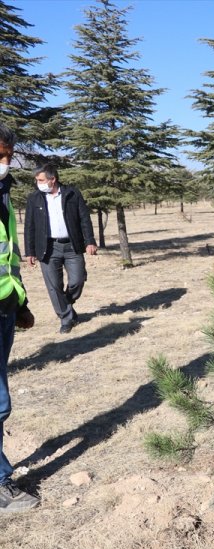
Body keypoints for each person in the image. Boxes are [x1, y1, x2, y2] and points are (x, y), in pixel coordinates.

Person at [0, 123, 38, 513]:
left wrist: (20, 302)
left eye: (8, 155)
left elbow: (7, 256)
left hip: (6, 306)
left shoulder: (5, 194)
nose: (5, 163)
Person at [23, 163, 97, 334]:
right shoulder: (34, 198)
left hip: (72, 246)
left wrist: (90, 241)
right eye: (36, 180)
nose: (38, 183)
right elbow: (29, 226)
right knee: (54, 286)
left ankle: (67, 304)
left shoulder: (72, 193)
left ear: (52, 179)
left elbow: (84, 219)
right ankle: (66, 318)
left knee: (77, 281)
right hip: (47, 248)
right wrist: (30, 251)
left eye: (41, 180)